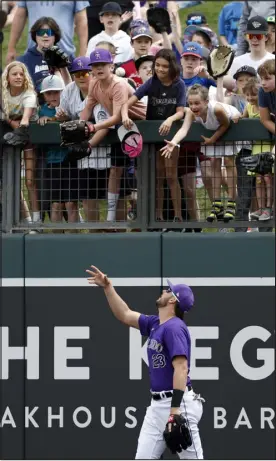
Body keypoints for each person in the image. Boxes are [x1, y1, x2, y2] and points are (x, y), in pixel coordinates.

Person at [86, 264, 204, 459]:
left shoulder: (174, 328)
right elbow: (125, 314)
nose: (164, 291)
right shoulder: (156, 324)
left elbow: (181, 368)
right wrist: (108, 288)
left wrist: (175, 411)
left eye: (168, 290)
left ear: (173, 300)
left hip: (177, 404)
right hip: (157, 406)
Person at [122, 49, 186, 226]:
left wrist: (170, 119)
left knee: (171, 176)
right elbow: (128, 102)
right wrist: (125, 114)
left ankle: (178, 216)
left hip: (170, 137)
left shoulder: (179, 85)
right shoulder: (151, 83)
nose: (160, 69)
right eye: (157, 65)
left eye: (164, 66)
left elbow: (181, 111)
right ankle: (158, 215)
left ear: (172, 67)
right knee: (157, 177)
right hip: (153, 137)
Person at [161, 84, 241, 223]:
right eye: (190, 103)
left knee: (228, 162)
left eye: (197, 103)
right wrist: (174, 142)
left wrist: (213, 139)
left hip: (229, 128)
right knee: (214, 163)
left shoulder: (217, 109)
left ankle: (231, 202)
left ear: (206, 101)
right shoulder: (191, 113)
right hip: (212, 132)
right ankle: (217, 204)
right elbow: (184, 129)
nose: (193, 107)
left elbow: (225, 124)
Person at [1, 61, 40, 223]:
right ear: (7, 78)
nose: (18, 77)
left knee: (30, 181)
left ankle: (37, 221)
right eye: (14, 74)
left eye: (21, 74)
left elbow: (27, 114)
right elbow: (3, 114)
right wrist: (12, 123)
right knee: (12, 182)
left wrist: (22, 123)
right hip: (12, 136)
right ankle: (26, 220)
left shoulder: (29, 93)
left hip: (29, 136)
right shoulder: (3, 93)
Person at [6, 0, 89, 64]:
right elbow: (20, 16)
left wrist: (82, 52)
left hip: (64, 53)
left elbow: (81, 20)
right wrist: (11, 48)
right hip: (33, 53)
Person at [240, 77, 273, 222]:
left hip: (267, 146)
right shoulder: (248, 107)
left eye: (253, 94)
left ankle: (268, 208)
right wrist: (237, 118)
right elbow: (242, 118)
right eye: (247, 95)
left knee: (267, 178)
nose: (250, 98)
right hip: (255, 148)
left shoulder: (265, 107)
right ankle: (260, 208)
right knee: (258, 179)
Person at [16, 17, 70, 96]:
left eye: (49, 32)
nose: (45, 35)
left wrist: (63, 68)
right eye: (41, 32)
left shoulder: (65, 58)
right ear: (35, 36)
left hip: (62, 102)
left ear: (55, 36)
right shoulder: (23, 61)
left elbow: (72, 89)